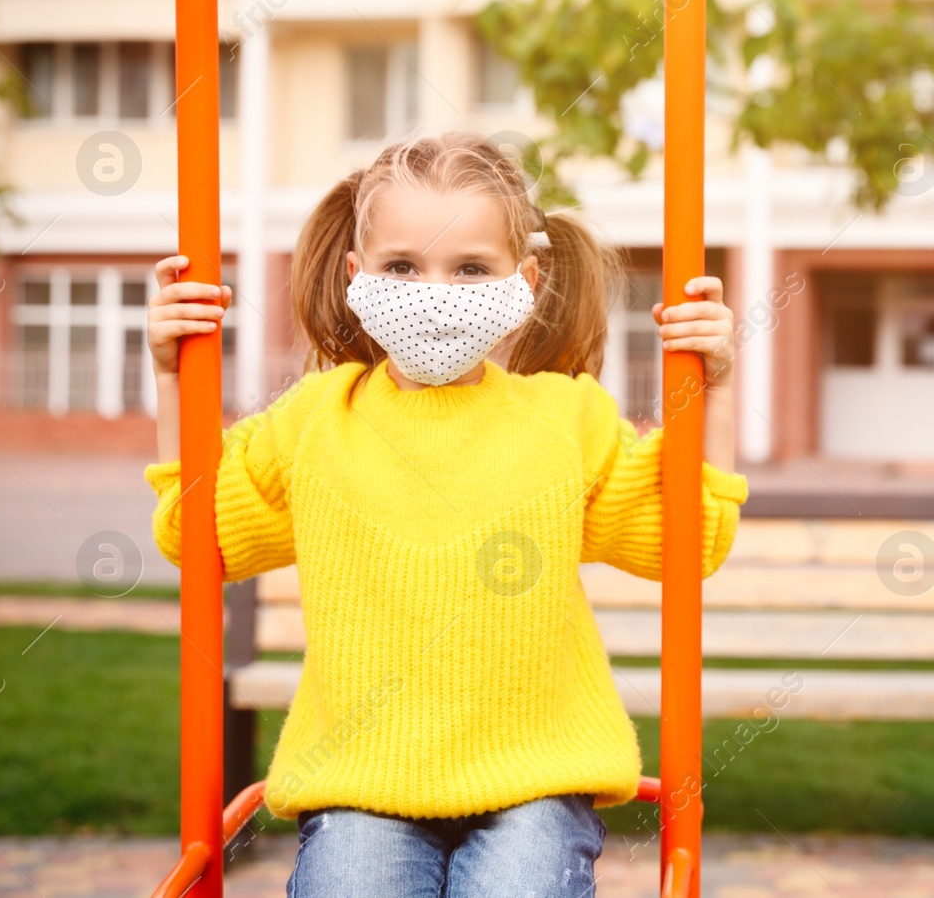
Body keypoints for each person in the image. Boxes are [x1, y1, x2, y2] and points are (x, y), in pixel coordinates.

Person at [144, 131, 745, 898]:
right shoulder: (317, 421)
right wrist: (173, 380)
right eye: (403, 266)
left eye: (469, 268)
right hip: (361, 781)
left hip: (536, 777)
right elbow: (200, 539)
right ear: (358, 275)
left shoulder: (566, 418)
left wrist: (714, 391)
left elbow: (684, 539)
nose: (436, 291)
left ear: (522, 280)